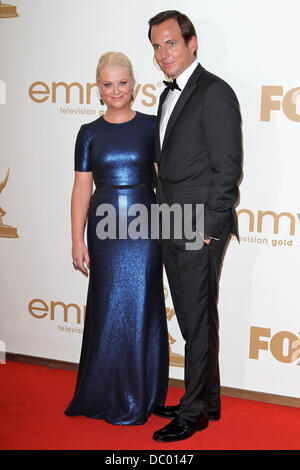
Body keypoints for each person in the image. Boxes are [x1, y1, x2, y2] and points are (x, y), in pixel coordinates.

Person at [148, 11, 242, 441]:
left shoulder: (215, 92)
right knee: (193, 319)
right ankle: (208, 398)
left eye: (170, 43)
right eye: (156, 45)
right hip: (171, 220)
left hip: (198, 225)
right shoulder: (166, 96)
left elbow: (228, 170)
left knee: (197, 319)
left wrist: (210, 226)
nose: (162, 53)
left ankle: (194, 413)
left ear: (192, 43)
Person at [64, 52, 169, 425]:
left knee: (143, 303)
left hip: (145, 225)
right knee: (108, 305)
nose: (116, 90)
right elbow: (81, 190)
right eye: (107, 84)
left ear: (133, 84)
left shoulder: (152, 126)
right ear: (98, 88)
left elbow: (166, 179)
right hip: (105, 229)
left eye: (122, 82)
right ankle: (104, 391)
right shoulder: (89, 132)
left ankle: (145, 393)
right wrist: (77, 240)